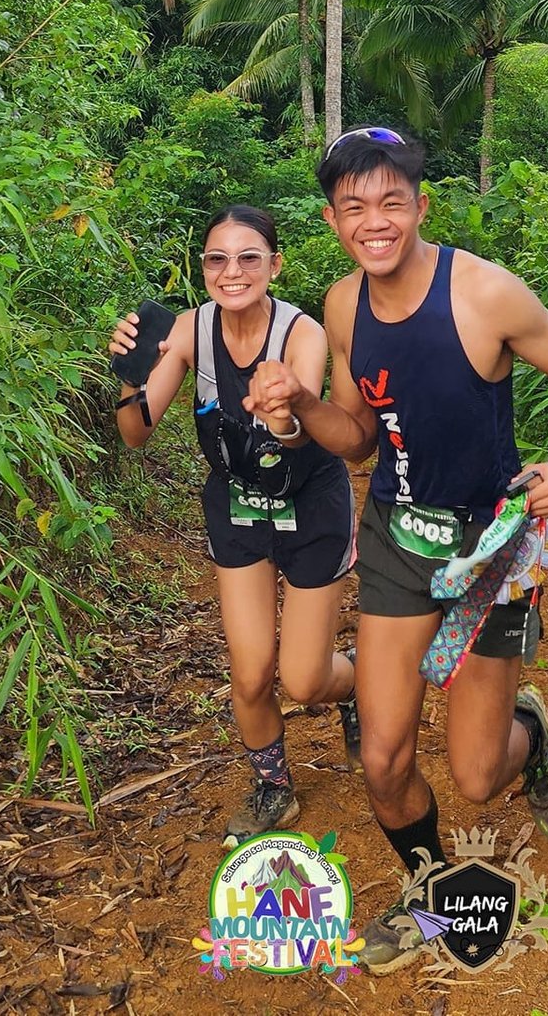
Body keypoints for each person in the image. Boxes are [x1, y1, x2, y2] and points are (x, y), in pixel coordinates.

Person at [248, 129, 548, 972]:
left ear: (420, 206)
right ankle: (430, 886)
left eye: (391, 202)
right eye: (354, 207)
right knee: (383, 757)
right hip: (399, 542)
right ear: (333, 219)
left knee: (478, 776)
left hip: (489, 552)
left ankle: (529, 730)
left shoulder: (484, 292)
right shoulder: (344, 306)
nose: (374, 221)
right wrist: (298, 409)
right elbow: (359, 437)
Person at [110, 204, 360, 847]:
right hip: (239, 505)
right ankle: (275, 787)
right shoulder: (189, 331)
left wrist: (282, 410)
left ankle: (353, 682)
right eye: (217, 259)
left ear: (274, 265)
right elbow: (137, 432)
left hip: (310, 505)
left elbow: (298, 437)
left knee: (304, 680)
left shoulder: (301, 334)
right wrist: (130, 376)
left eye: (249, 257)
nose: (232, 271)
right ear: (203, 269)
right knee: (250, 674)